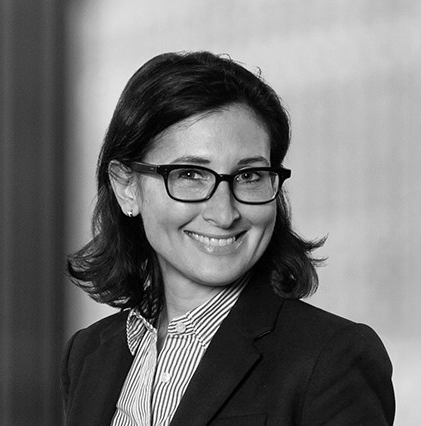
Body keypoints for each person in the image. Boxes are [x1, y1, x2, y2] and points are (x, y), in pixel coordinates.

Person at [61, 51, 395, 425]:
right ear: (127, 187)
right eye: (190, 175)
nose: (224, 214)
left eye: (249, 176)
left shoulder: (331, 358)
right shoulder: (88, 354)